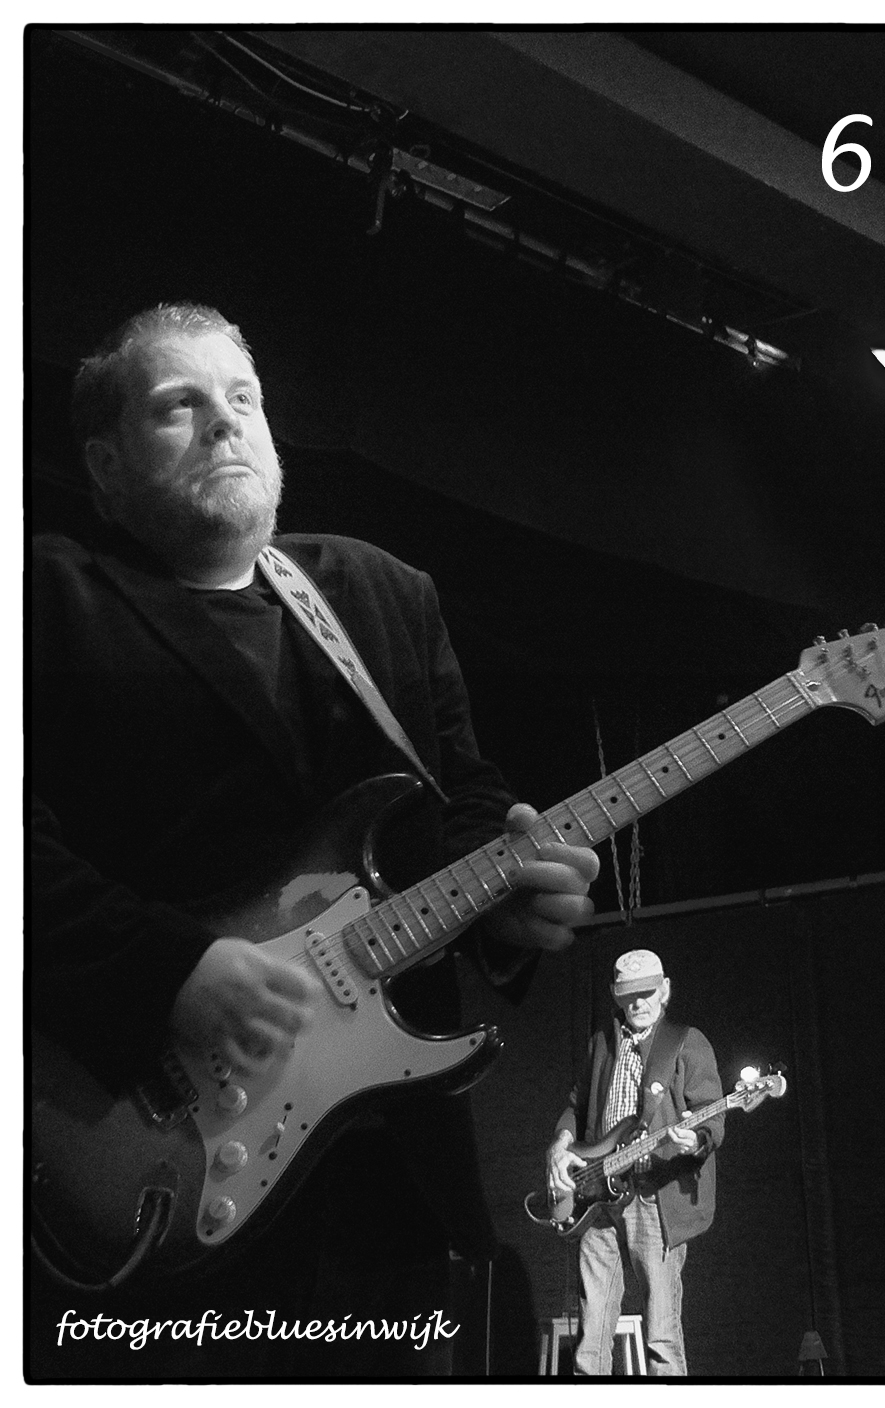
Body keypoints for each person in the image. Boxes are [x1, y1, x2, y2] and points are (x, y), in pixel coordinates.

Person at [30, 302, 599, 1380]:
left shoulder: (382, 593)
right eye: (179, 406)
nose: (224, 422)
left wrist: (508, 899)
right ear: (104, 465)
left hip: (393, 1174)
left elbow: (460, 803)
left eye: (242, 398)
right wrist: (167, 968)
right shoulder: (46, 600)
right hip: (154, 1152)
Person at [546, 948, 724, 1376]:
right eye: (629, 995)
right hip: (598, 1196)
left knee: (661, 1333)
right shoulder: (602, 1043)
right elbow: (576, 1104)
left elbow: (712, 1115)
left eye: (647, 992)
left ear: (665, 990)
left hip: (654, 1195)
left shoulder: (686, 1041)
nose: (638, 1003)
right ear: (615, 994)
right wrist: (561, 1144)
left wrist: (695, 1140)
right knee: (591, 1333)